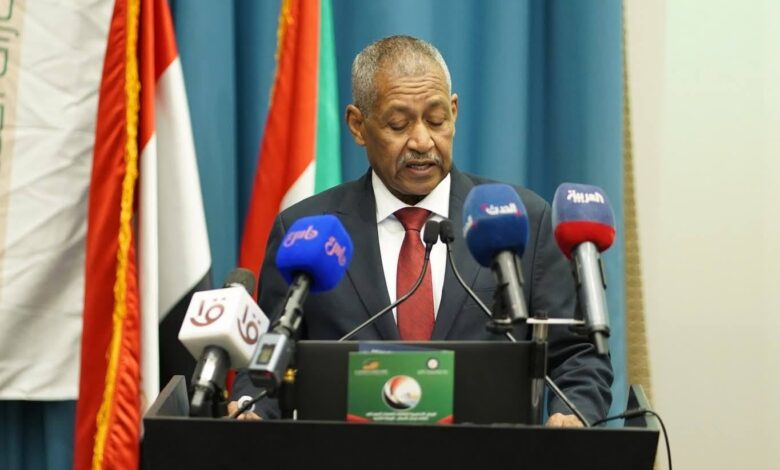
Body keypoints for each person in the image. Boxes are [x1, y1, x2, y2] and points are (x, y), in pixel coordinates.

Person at [229, 35, 613, 427]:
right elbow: (268, 356)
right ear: (358, 126)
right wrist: (251, 407)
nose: (422, 141)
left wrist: (572, 413)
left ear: (454, 112)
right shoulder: (305, 232)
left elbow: (576, 356)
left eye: (436, 120)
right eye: (398, 124)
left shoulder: (524, 221)